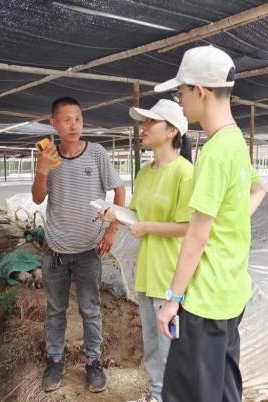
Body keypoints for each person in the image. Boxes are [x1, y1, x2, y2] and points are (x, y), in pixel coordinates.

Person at [155, 46, 267, 402]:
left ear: (199, 91)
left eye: (181, 92)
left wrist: (173, 299)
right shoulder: (236, 142)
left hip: (205, 299)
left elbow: (197, 235)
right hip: (232, 290)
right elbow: (259, 189)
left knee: (189, 392)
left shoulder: (214, 153)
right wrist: (229, 224)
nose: (181, 100)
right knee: (223, 385)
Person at [100, 99, 193, 402]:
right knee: (152, 343)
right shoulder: (144, 172)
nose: (143, 127)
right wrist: (115, 213)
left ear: (171, 131)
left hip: (171, 273)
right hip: (147, 271)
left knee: (171, 347)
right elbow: (137, 216)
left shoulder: (184, 173)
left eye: (150, 122)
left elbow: (190, 227)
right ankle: (157, 394)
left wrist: (149, 227)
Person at [32, 96, 125, 393]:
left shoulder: (96, 153)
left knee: (91, 308)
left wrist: (112, 228)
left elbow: (119, 191)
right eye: (67, 119)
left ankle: (93, 362)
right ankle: (55, 360)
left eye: (78, 119)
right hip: (55, 250)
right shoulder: (49, 156)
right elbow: (36, 198)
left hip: (88, 249)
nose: (74, 125)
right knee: (56, 309)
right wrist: (42, 169)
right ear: (54, 124)